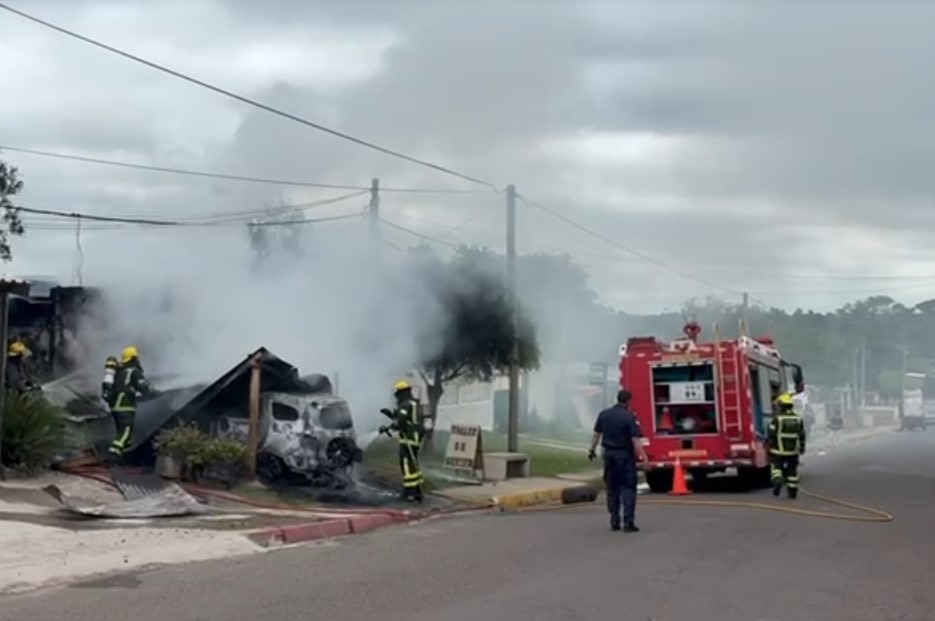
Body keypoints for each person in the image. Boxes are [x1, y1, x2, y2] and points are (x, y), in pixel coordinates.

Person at [589, 389, 649, 532]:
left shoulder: (604, 414)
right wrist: (644, 457)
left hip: (609, 455)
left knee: (612, 488)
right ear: (628, 401)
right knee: (628, 487)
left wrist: (592, 449)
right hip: (624, 455)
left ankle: (614, 520)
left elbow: (596, 435)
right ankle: (628, 522)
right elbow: (635, 440)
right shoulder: (629, 417)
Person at [379, 380, 425, 502]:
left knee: (406, 464)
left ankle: (410, 493)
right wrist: (391, 415)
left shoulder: (404, 404)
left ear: (400, 393)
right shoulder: (414, 403)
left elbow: (401, 422)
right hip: (416, 437)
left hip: (408, 438)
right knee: (413, 463)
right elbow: (406, 419)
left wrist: (390, 426)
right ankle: (417, 490)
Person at [107, 346, 153, 461]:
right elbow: (143, 387)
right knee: (126, 431)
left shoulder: (119, 371)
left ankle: (123, 457)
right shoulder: (134, 371)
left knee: (124, 435)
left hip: (114, 406)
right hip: (125, 405)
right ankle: (113, 453)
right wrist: (153, 392)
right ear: (133, 358)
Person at [767, 392, 806, 499]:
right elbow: (802, 435)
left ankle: (778, 481)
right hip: (793, 451)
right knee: (792, 471)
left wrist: (769, 445)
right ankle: (792, 492)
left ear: (781, 406)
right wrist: (802, 447)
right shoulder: (798, 419)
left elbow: (771, 434)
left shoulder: (777, 419)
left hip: (778, 451)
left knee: (776, 468)